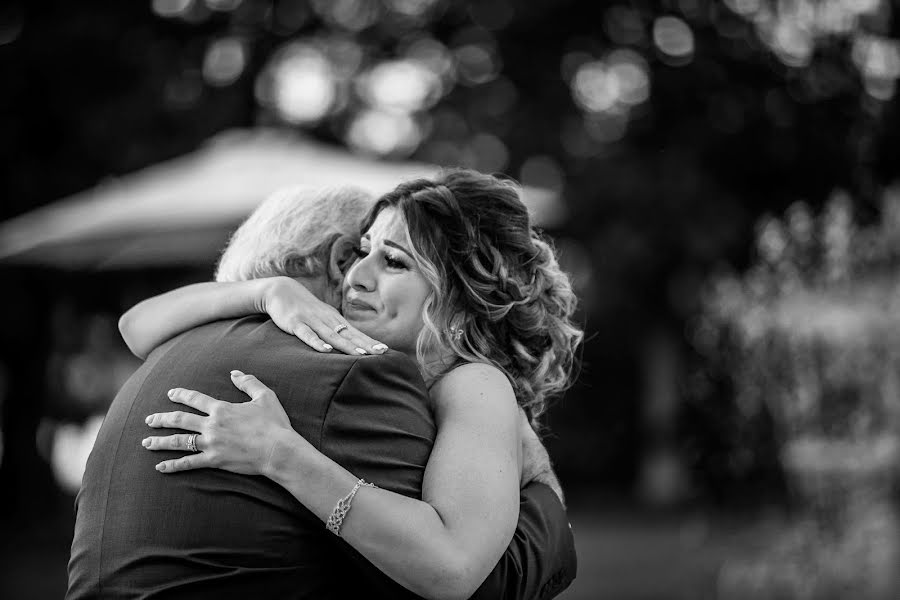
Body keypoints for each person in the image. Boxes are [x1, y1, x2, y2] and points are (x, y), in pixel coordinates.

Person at [68, 182, 577, 600]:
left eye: (393, 261)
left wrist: (280, 453)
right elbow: (133, 324)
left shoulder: (473, 382)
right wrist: (269, 290)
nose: (356, 275)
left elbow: (453, 569)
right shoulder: (358, 375)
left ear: (459, 299)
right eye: (363, 251)